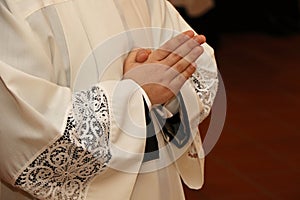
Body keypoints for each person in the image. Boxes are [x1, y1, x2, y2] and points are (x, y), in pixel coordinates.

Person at [0, 0, 219, 199]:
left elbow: (200, 64)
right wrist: (135, 94)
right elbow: (22, 124)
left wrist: (168, 82)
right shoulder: (14, 6)